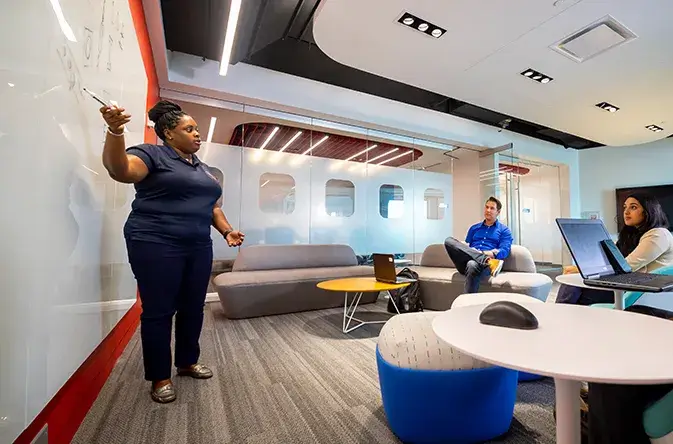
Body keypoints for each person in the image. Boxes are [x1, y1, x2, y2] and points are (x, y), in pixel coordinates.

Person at [99, 100, 245, 403]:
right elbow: (121, 170)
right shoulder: (152, 154)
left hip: (198, 243)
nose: (197, 135)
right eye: (189, 129)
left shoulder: (203, 169)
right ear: (168, 133)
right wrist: (115, 131)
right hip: (155, 241)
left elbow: (213, 207)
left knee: (193, 306)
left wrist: (226, 229)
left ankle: (187, 361)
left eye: (197, 130)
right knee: (159, 310)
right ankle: (160, 376)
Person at [557, 193, 673, 305]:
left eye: (633, 207)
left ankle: (559, 315)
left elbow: (627, 266)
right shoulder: (631, 235)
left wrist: (581, 269)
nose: (626, 212)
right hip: (628, 283)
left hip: (642, 291)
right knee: (575, 281)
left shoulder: (659, 234)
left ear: (649, 211)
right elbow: (613, 260)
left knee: (575, 287)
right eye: (625, 207)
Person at [444, 196, 513, 293]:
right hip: (470, 261)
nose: (488, 210)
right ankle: (485, 259)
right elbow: (467, 246)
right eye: (486, 207)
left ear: (498, 212)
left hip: (485, 266)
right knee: (448, 241)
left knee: (472, 264)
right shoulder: (474, 228)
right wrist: (476, 253)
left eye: (492, 208)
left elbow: (504, 251)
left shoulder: (504, 230)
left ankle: (467, 304)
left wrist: (485, 252)